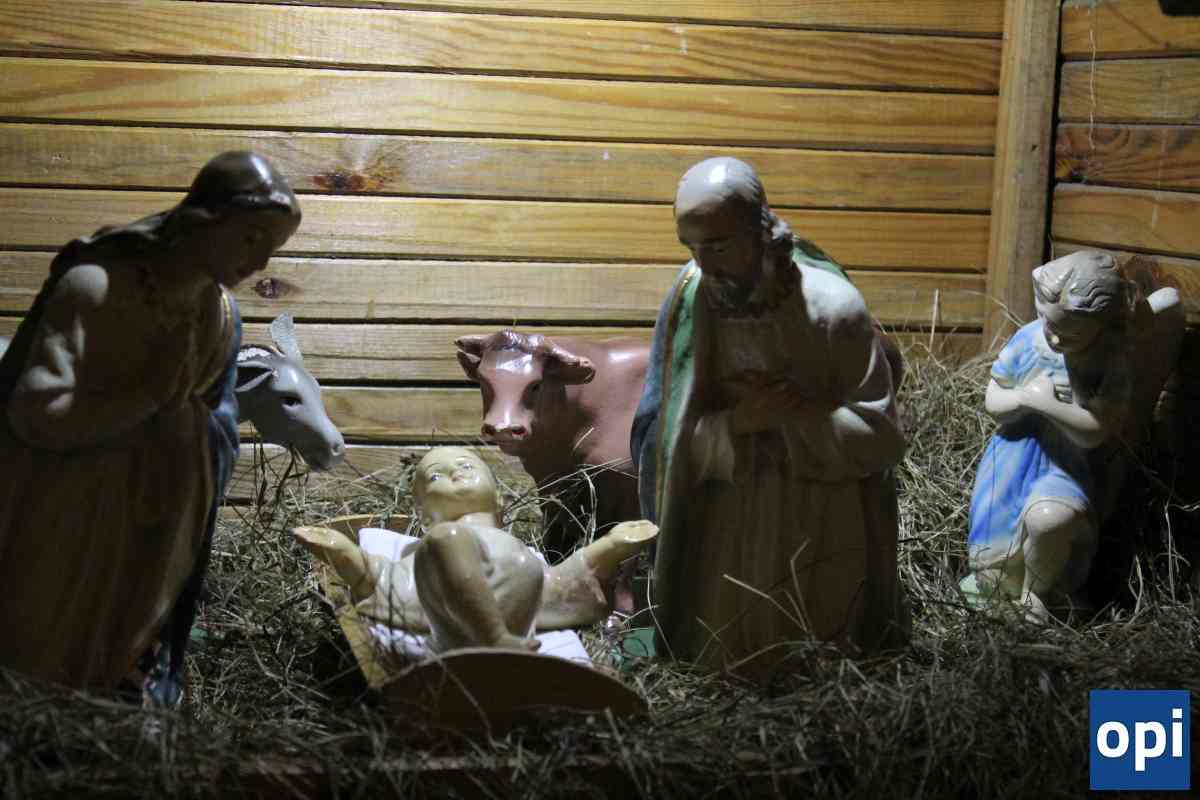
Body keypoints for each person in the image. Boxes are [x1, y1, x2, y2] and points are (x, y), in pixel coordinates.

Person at [0, 152, 301, 698]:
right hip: (65, 510)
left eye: (271, 250)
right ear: (202, 220)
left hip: (152, 522)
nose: (260, 262)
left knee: (118, 646)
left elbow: (216, 420)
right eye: (252, 237)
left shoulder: (219, 314)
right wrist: (145, 401)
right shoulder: (94, 288)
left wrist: (189, 429)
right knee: (41, 642)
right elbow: (34, 411)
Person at [631, 157, 908, 671]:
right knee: (725, 661)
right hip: (729, 518)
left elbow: (881, 438)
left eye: (717, 246)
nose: (703, 264)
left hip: (819, 519)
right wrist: (738, 423)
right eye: (690, 247)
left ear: (759, 229)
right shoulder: (694, 304)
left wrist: (796, 416)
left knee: (819, 659)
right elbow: (668, 438)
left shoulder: (834, 308)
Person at [962, 250, 1181, 618]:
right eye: (1046, 321)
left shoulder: (1108, 363)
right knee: (993, 551)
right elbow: (994, 401)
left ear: (1103, 324)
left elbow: (1094, 432)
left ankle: (1037, 593)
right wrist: (1022, 399)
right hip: (1012, 458)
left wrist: (1046, 403)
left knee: (1050, 520)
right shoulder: (1029, 340)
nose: (1053, 337)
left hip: (1067, 465)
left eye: (1069, 332)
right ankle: (997, 584)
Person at [294, 446, 657, 652]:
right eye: (435, 476)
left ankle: (499, 643)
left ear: (499, 497)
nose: (454, 472)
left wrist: (611, 546)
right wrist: (344, 553)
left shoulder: (522, 553)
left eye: (466, 465)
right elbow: (383, 580)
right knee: (448, 540)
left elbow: (558, 588)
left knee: (525, 565)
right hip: (453, 625)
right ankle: (493, 640)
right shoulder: (426, 550)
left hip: (516, 609)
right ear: (423, 514)